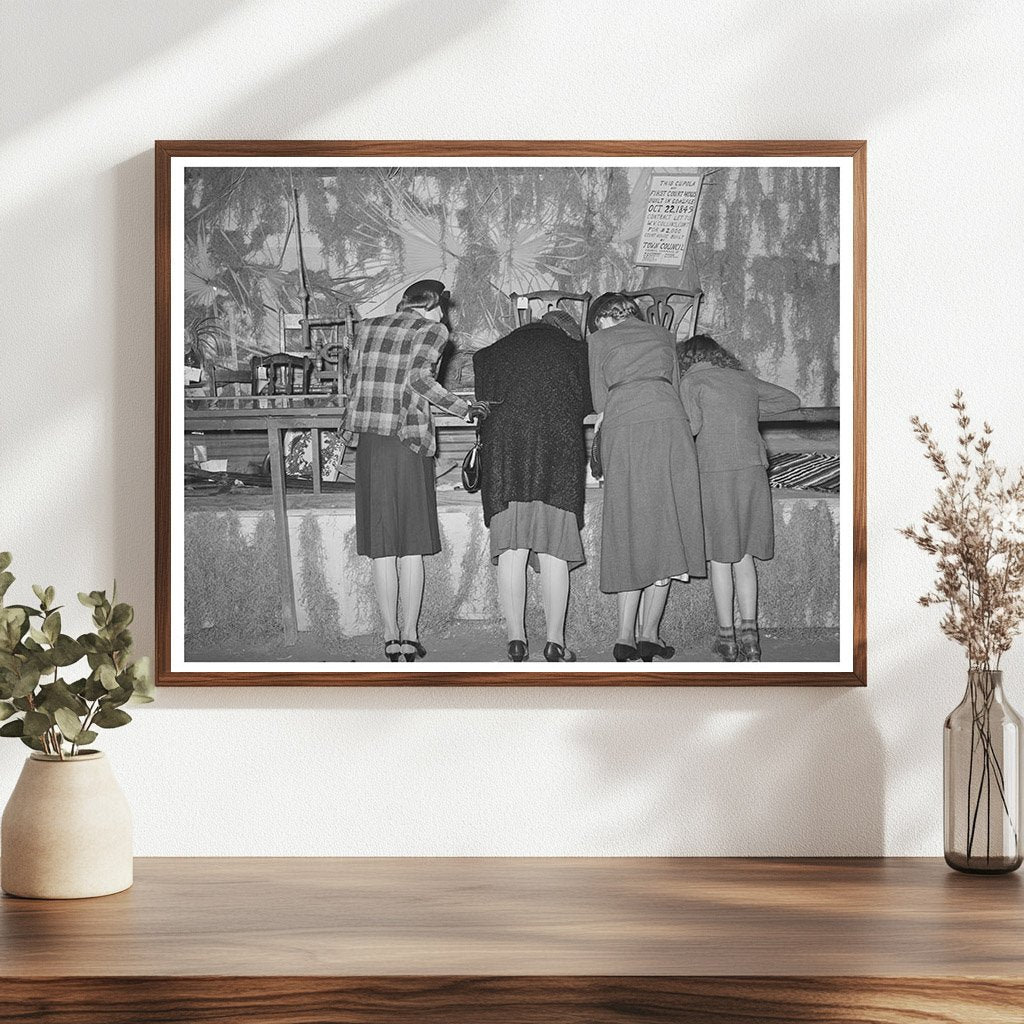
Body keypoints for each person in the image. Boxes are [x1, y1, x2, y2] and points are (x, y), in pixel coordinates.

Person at [343, 280, 491, 661]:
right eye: (442, 307)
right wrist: (465, 408)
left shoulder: (368, 327)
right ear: (430, 306)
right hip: (407, 442)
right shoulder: (433, 330)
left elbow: (355, 381)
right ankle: (410, 636)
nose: (445, 316)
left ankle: (390, 636)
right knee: (410, 547)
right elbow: (419, 380)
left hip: (372, 444)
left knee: (382, 547)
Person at [586, 293, 706, 662]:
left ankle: (625, 636)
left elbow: (598, 400)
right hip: (671, 424)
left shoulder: (599, 339)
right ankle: (650, 634)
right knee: (668, 525)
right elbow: (673, 384)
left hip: (625, 425)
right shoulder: (664, 336)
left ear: (603, 318)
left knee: (628, 525)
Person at [473, 309, 593, 662]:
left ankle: (516, 640)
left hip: (506, 458)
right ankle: (555, 642)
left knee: (513, 550)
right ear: (565, 330)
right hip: (557, 455)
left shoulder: (492, 352)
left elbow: (485, 399)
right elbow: (587, 405)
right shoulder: (577, 352)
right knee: (553, 550)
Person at [677, 334, 801, 662]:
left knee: (720, 556)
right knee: (744, 554)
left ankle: (727, 639)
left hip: (714, 472)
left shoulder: (691, 382)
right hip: (752, 470)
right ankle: (751, 636)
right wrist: (748, 407)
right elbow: (790, 399)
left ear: (686, 360)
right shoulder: (742, 379)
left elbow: (692, 426)